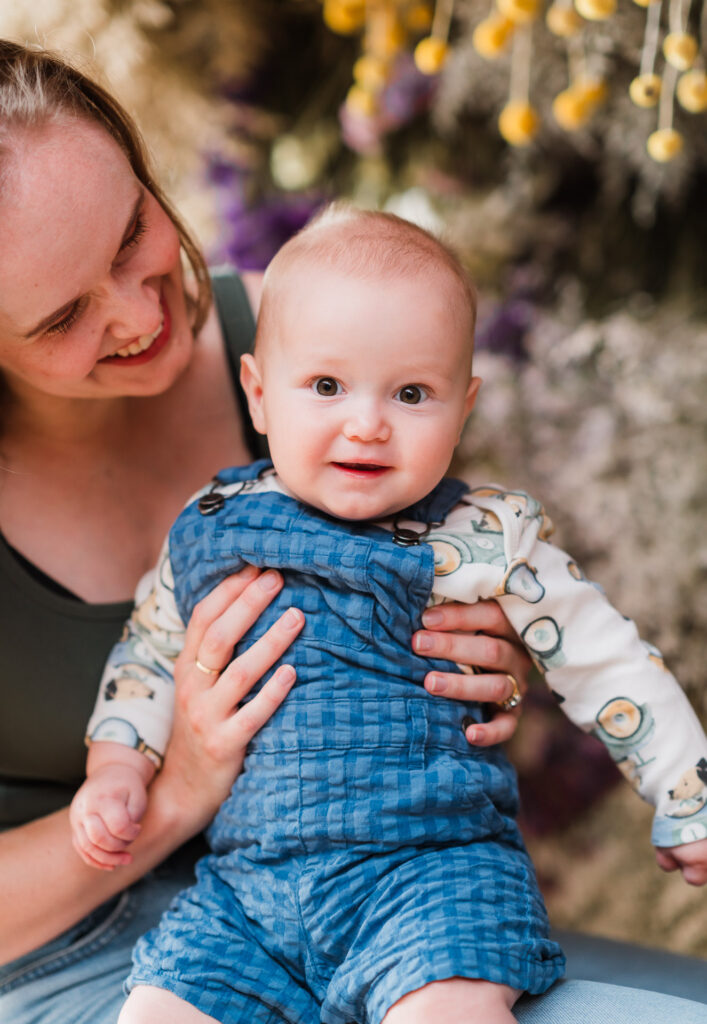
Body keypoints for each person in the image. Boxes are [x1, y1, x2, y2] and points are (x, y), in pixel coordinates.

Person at [0, 38, 554, 1024]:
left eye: (133, 233)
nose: (140, 312)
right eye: (62, 317)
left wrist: (492, 655)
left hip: (364, 897)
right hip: (51, 955)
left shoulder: (313, 339)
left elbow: (471, 554)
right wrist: (176, 791)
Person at [71, 205, 707, 1024]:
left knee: (445, 1012)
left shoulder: (479, 539)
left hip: (426, 880)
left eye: (411, 393)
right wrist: (117, 767)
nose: (366, 424)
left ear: (463, 405)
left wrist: (686, 795)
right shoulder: (216, 523)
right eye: (327, 387)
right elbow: (149, 655)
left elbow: (607, 659)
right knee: (155, 1013)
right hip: (248, 897)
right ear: (259, 395)